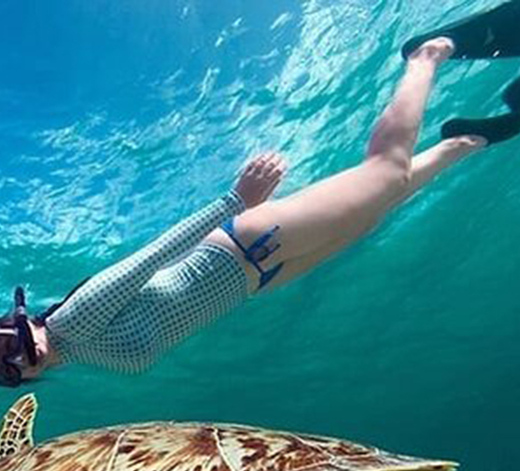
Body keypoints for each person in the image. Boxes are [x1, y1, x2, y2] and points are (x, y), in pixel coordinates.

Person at [2, 13, 519, 385]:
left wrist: (236, 200)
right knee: (374, 211)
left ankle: (428, 55)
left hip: (245, 245)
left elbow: (152, 257)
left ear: (12, 322)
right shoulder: (84, 354)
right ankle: (465, 142)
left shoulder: (71, 320)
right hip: (258, 278)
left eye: (4, 345)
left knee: (384, 175)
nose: (17, 358)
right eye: (4, 370)